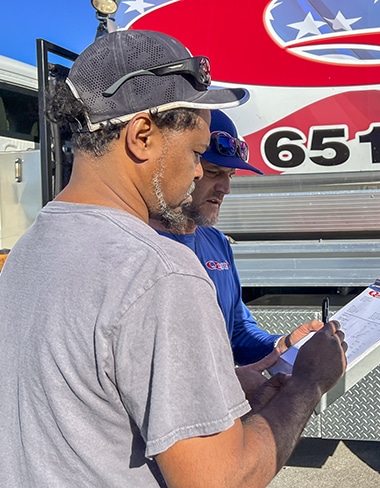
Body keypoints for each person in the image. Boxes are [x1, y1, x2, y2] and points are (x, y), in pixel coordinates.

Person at [0, 30, 346, 488]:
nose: (202, 173)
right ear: (142, 135)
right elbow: (223, 479)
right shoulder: (160, 271)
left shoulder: (32, 246)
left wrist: (228, 381)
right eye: (198, 152)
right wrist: (308, 383)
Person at [150, 109, 321, 369]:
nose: (225, 188)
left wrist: (281, 346)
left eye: (230, 175)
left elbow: (238, 331)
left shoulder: (216, 242)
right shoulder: (139, 244)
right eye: (214, 172)